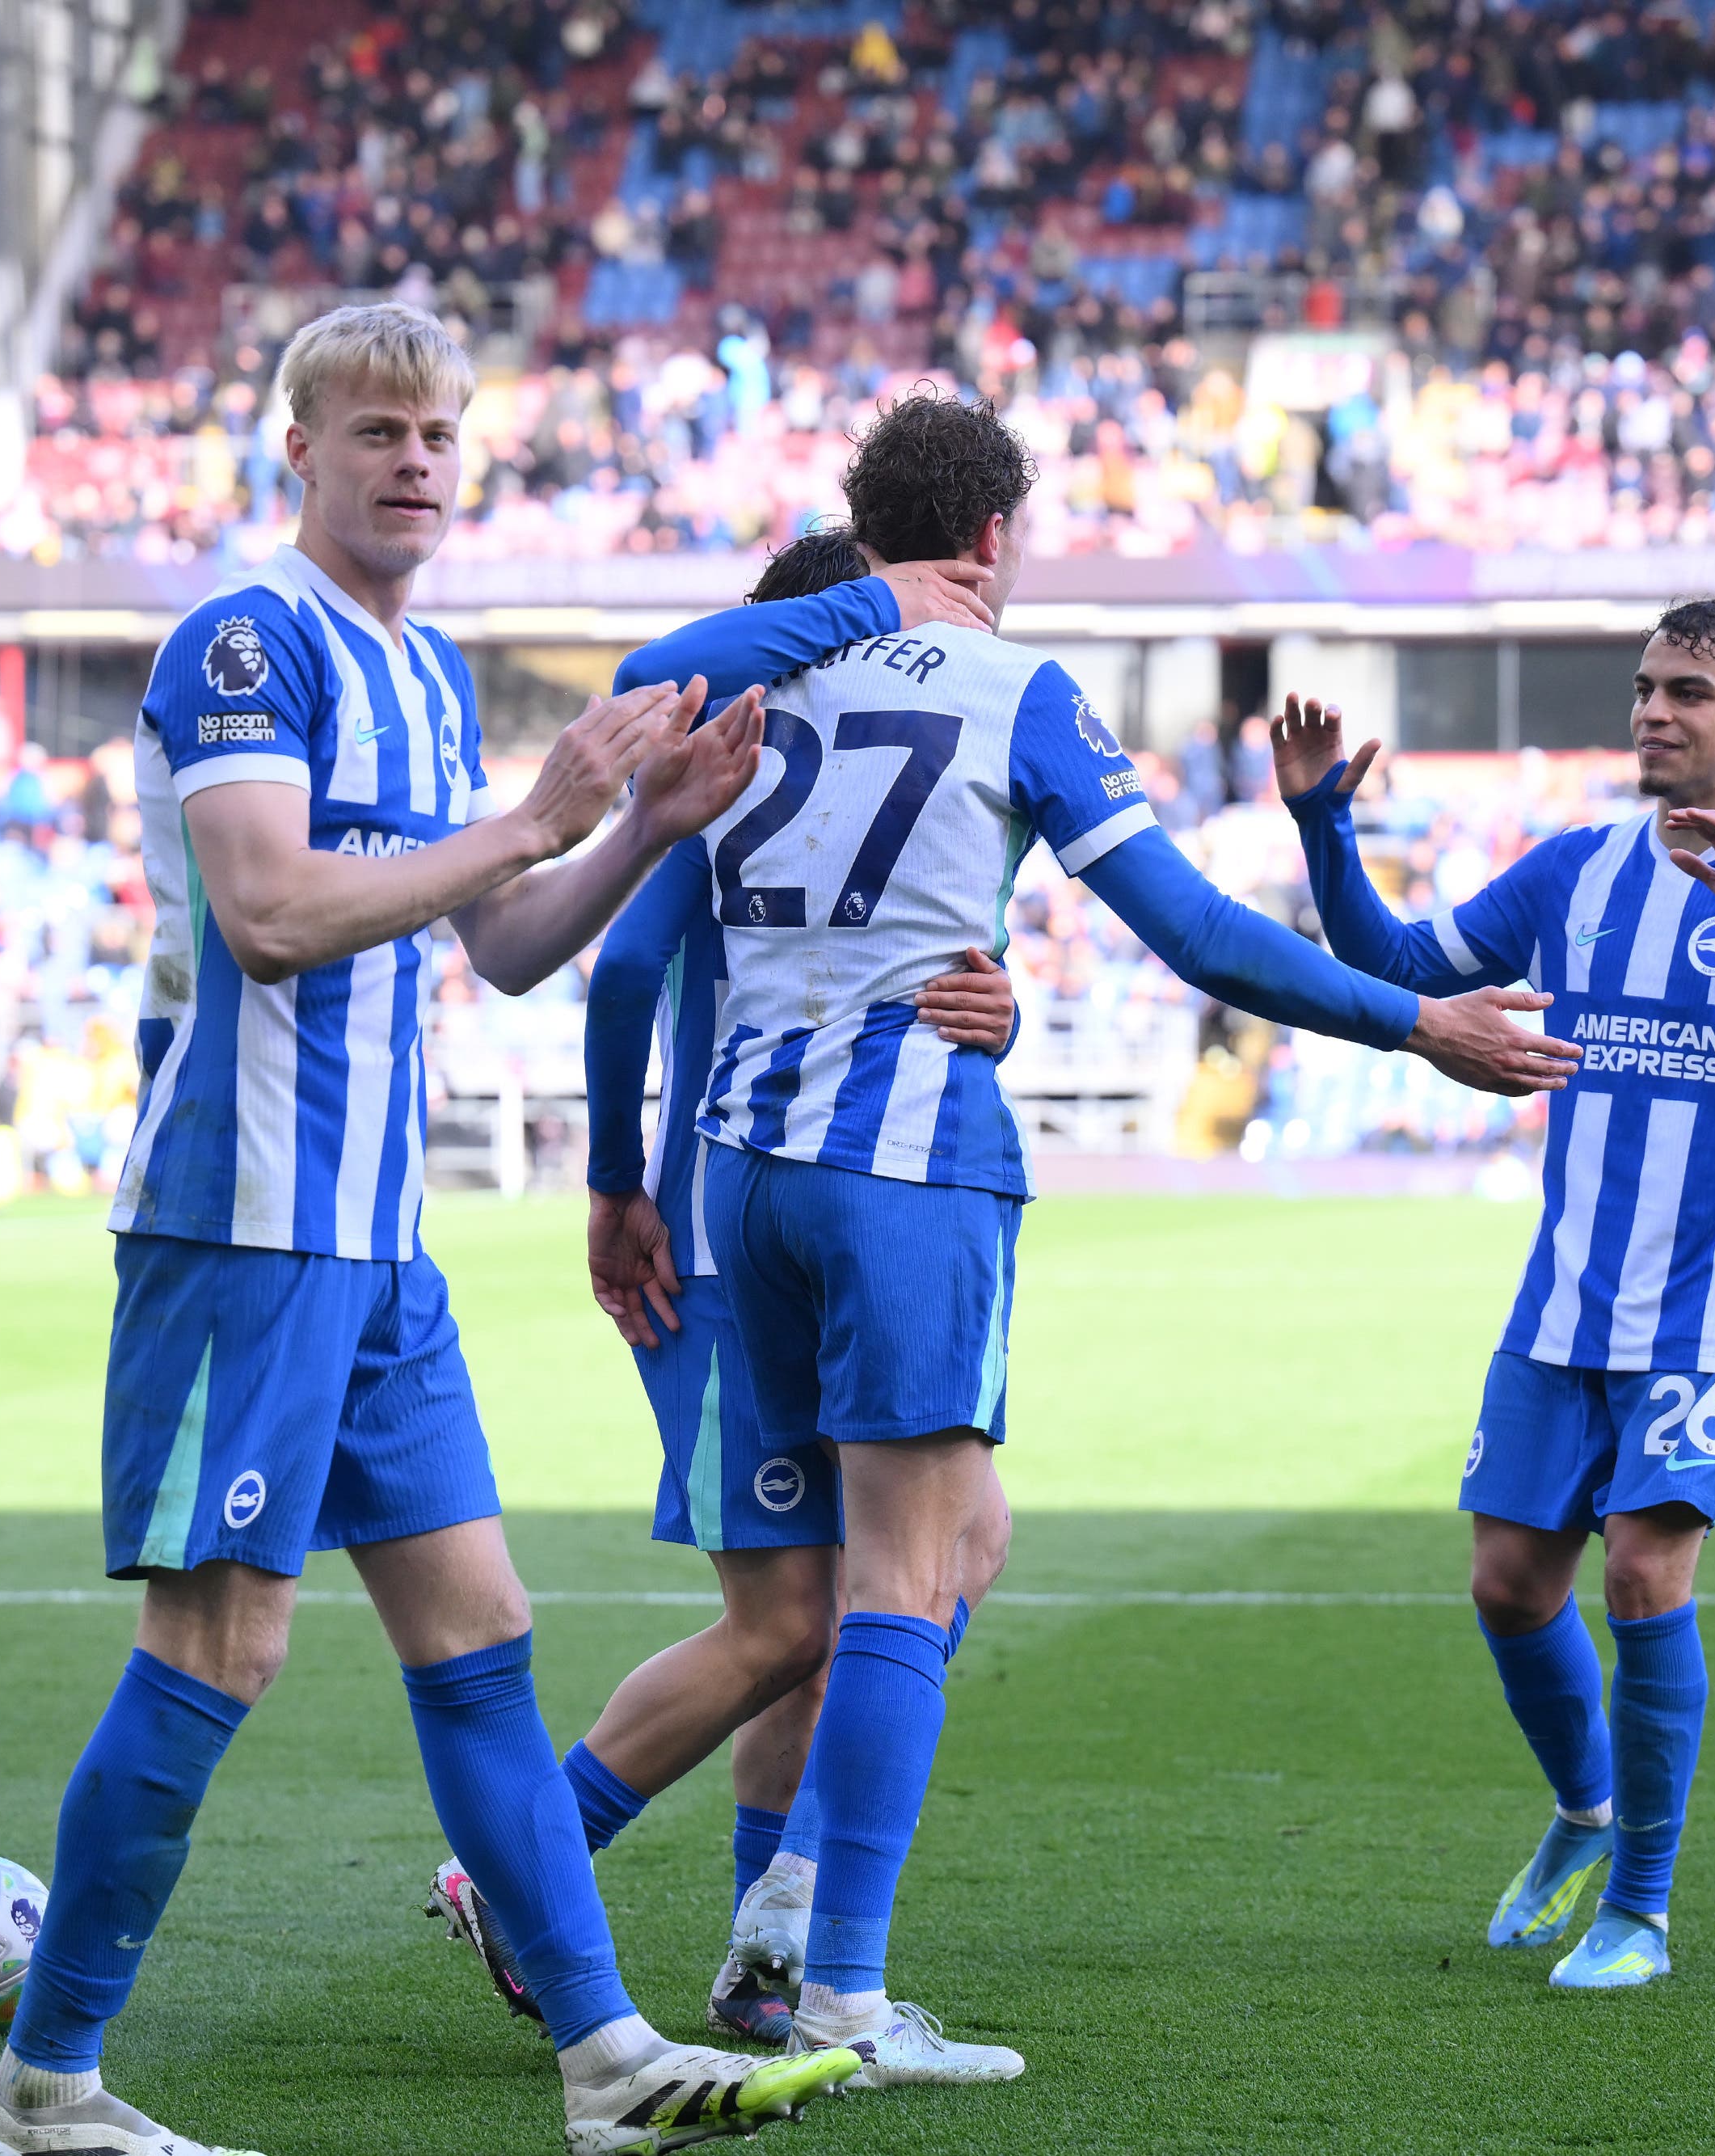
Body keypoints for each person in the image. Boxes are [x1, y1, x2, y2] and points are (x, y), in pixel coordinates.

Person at [0, 302, 850, 2156]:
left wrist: (636, 833)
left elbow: (504, 946)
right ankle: (42, 2086)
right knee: (216, 1649)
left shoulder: (429, 671)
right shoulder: (242, 640)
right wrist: (539, 811)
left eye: (440, 432)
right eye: (376, 431)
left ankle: (602, 2057)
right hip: (242, 1230)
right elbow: (275, 907)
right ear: (297, 448)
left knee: (484, 1637)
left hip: (377, 1242)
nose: (416, 461)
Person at [658, 389, 1571, 2085]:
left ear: (864, 529)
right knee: (902, 1579)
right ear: (994, 534)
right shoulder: (1018, 688)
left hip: (744, 1173)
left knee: (892, 1561)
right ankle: (844, 1992)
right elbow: (1198, 935)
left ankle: (772, 1935)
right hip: (906, 1165)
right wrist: (1412, 1024)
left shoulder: (757, 671)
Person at [1272, 599, 1715, 1989]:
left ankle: (1641, 1907)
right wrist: (1324, 832)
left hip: (1713, 1304)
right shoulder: (1576, 868)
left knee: (1642, 1572)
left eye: (1686, 691)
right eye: (1642, 687)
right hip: (1567, 1297)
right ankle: (1584, 1815)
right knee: (1511, 1588)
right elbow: (1394, 967)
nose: (1650, 711)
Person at [426, 529, 1017, 2050]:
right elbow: (626, 975)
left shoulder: (793, 759)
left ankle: (775, 1931)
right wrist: (620, 1181)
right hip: (724, 1231)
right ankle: (540, 1862)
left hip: (742, 1212)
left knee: (889, 1573)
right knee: (799, 1611)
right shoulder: (742, 758)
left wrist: (986, 1004)